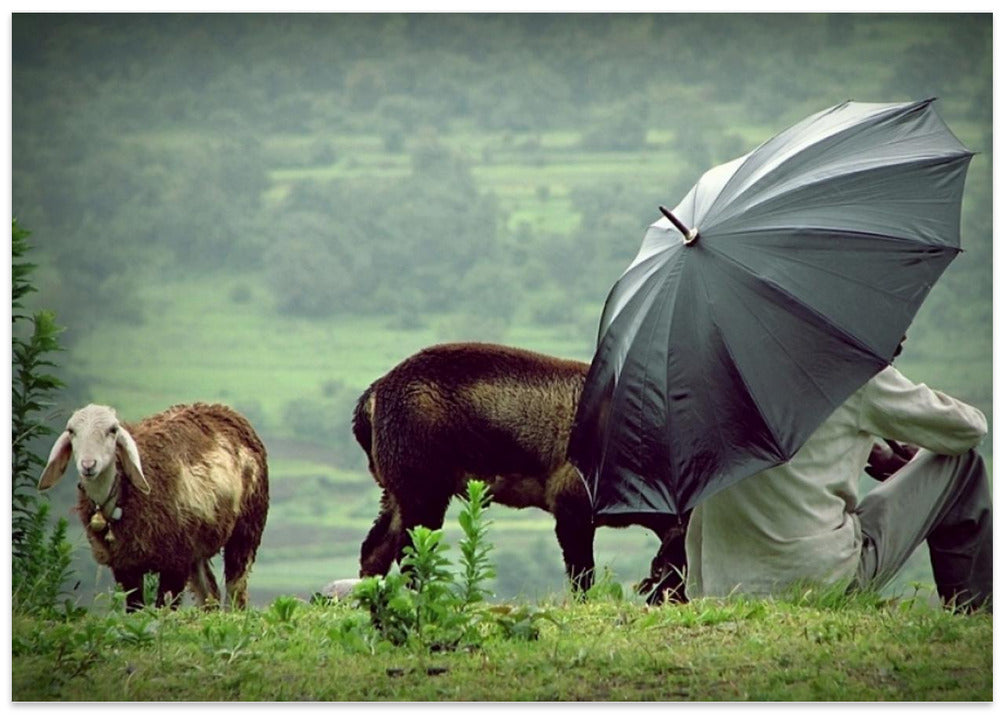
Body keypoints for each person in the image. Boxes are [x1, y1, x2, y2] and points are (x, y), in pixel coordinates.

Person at [684, 351, 992, 612]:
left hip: (720, 587)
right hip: (816, 582)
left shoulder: (718, 374)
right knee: (963, 464)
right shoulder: (851, 371)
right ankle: (976, 613)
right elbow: (969, 429)